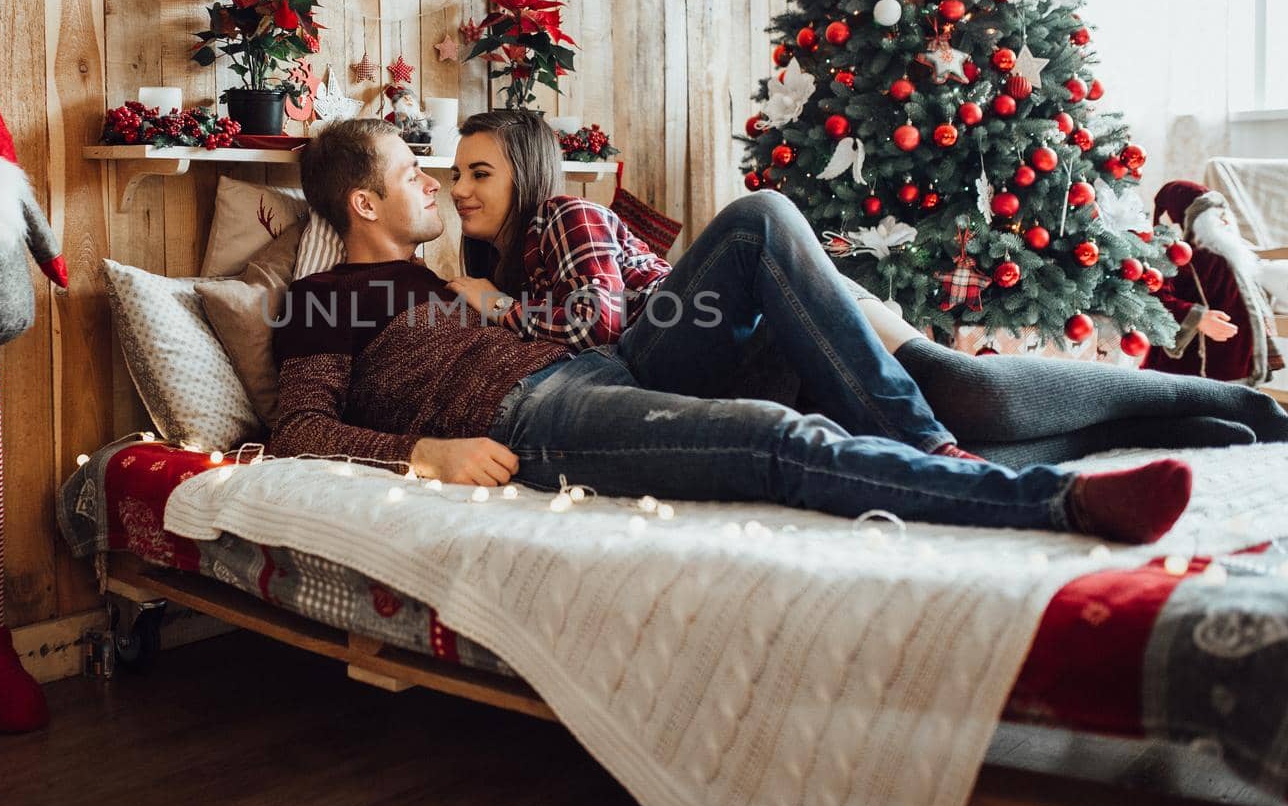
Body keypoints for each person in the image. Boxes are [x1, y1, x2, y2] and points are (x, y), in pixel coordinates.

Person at [270, 117, 1194, 544]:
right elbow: (298, 434)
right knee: (774, 440)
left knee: (760, 218)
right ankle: (1049, 504)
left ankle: (950, 448)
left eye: (455, 173)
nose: (435, 184)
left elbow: (589, 312)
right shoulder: (323, 298)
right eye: (411, 173)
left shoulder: (462, 278)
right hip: (533, 417)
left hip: (602, 369)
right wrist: (425, 454)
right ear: (362, 201)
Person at [443, 110, 1288, 467]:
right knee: (979, 410)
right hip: (727, 373)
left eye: (479, 172)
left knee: (970, 391)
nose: (461, 189)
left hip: (678, 356)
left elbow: (601, 325)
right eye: (453, 176)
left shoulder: (562, 215)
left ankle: (1240, 408)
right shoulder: (503, 264)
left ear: (525, 172)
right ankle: (1197, 423)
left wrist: (498, 308)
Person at [1143, 179, 1282, 385]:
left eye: (1224, 212)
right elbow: (1156, 297)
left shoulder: (1234, 252)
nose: (1225, 221)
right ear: (1192, 218)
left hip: (1240, 356)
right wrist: (1196, 318)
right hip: (1202, 363)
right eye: (1215, 215)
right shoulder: (1178, 257)